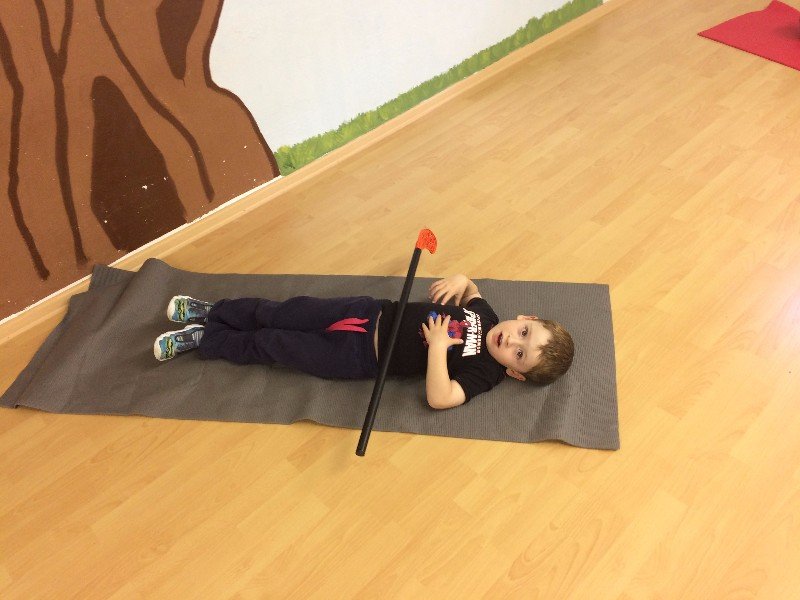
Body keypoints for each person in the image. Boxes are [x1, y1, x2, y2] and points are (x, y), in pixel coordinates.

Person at [153, 275, 574, 409]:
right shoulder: (488, 317)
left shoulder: (486, 373)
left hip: (356, 356)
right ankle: (215, 311)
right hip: (367, 311)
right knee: (279, 313)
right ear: (526, 318)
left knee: (274, 344)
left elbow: (441, 397)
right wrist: (462, 280)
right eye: (524, 333)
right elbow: (471, 291)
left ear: (515, 374)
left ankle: (207, 340)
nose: (510, 340)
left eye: (519, 354)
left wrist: (438, 350)